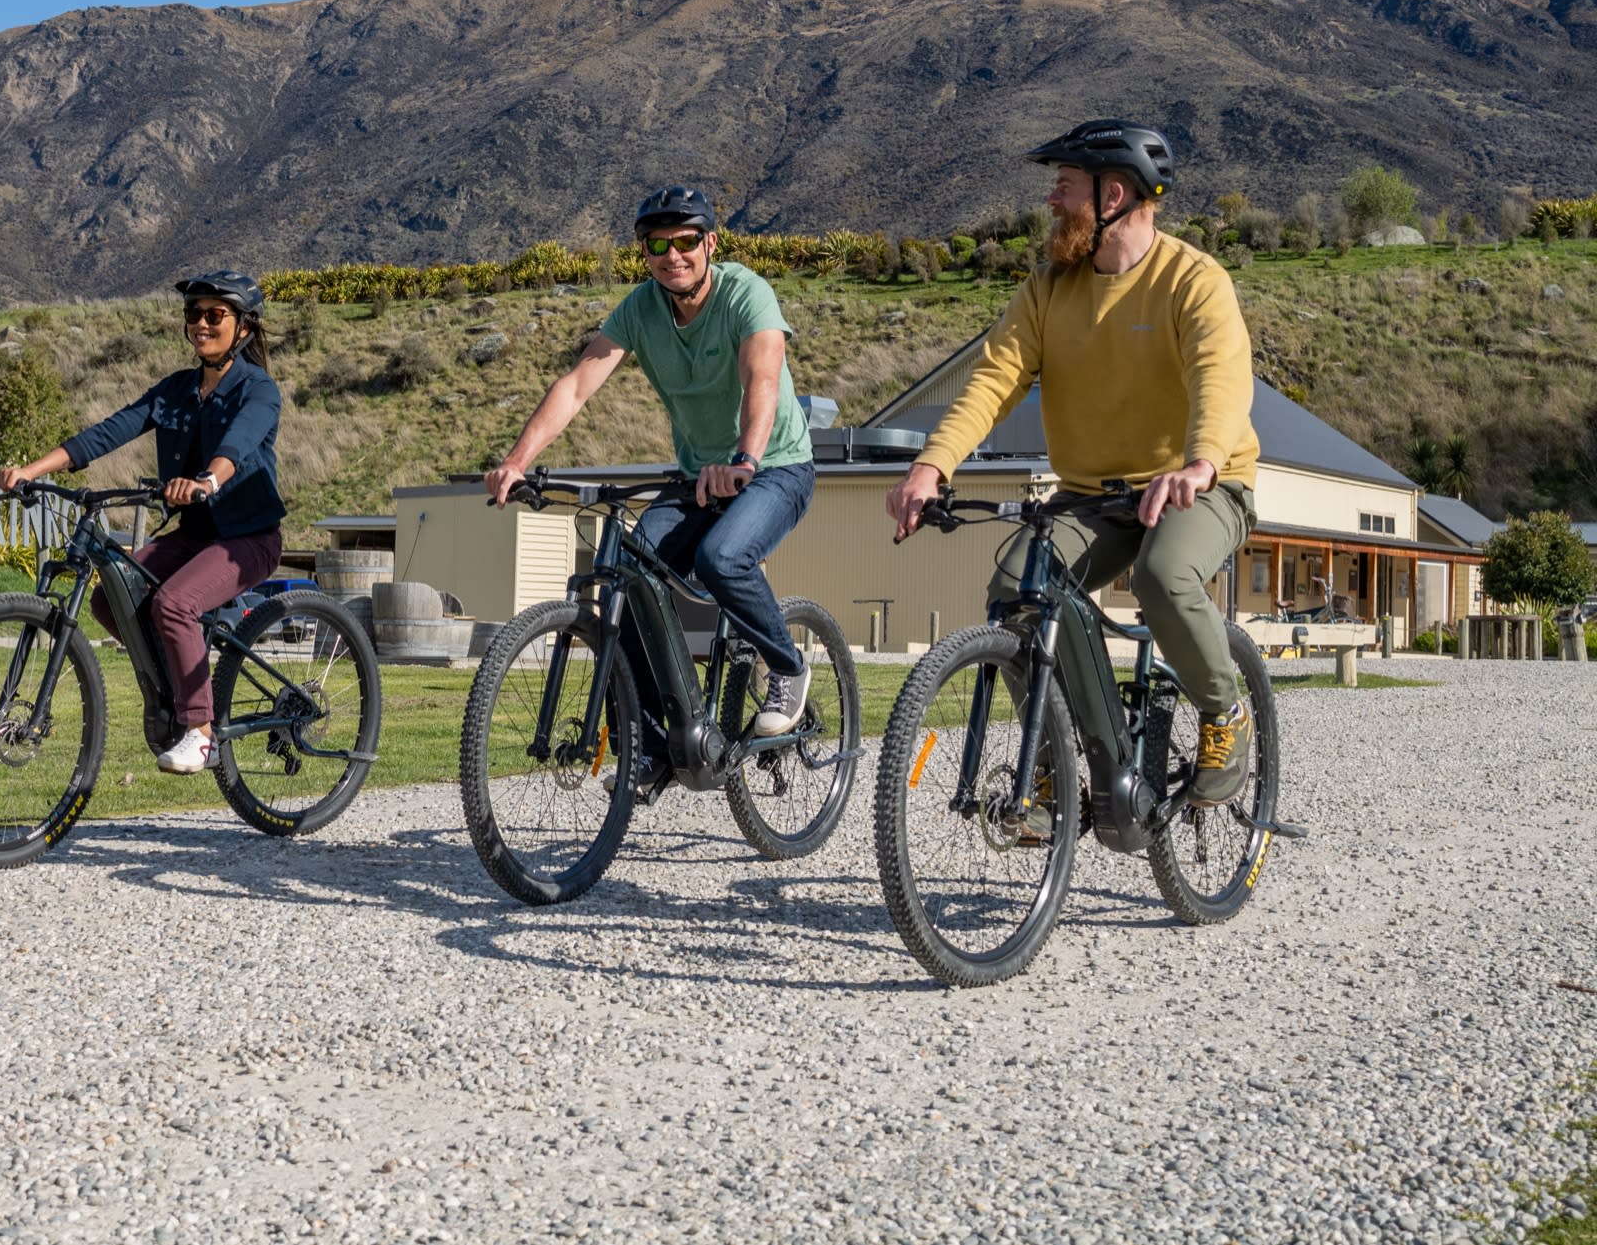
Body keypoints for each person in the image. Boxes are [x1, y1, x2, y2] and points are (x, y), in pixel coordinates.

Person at [886, 120, 1260, 805]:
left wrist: (1201, 463)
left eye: (1064, 185)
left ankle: (1224, 712)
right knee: (1016, 591)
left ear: (1113, 194)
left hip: (1201, 486)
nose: (1051, 200)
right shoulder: (1049, 287)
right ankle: (1060, 752)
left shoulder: (1193, 280)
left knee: (1164, 574)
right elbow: (994, 378)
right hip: (1093, 495)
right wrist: (931, 465)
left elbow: (1221, 378)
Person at [485, 186, 816, 797]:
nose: (673, 255)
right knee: (631, 577)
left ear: (710, 243)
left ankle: (789, 667)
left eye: (687, 240)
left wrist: (745, 459)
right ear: (644, 252)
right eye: (658, 244)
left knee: (723, 558)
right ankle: (655, 748)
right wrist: (516, 461)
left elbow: (762, 377)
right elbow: (578, 385)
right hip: (697, 480)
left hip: (775, 467)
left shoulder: (748, 293)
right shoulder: (639, 310)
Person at [0, 270, 285, 776]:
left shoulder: (258, 389)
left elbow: (236, 444)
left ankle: (201, 732)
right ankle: (180, 683)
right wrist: (29, 471)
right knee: (112, 595)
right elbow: (110, 431)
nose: (200, 323)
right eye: (193, 313)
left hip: (246, 540)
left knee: (173, 604)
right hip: (194, 537)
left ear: (244, 327)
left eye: (215, 314)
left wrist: (206, 482)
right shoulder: (176, 390)